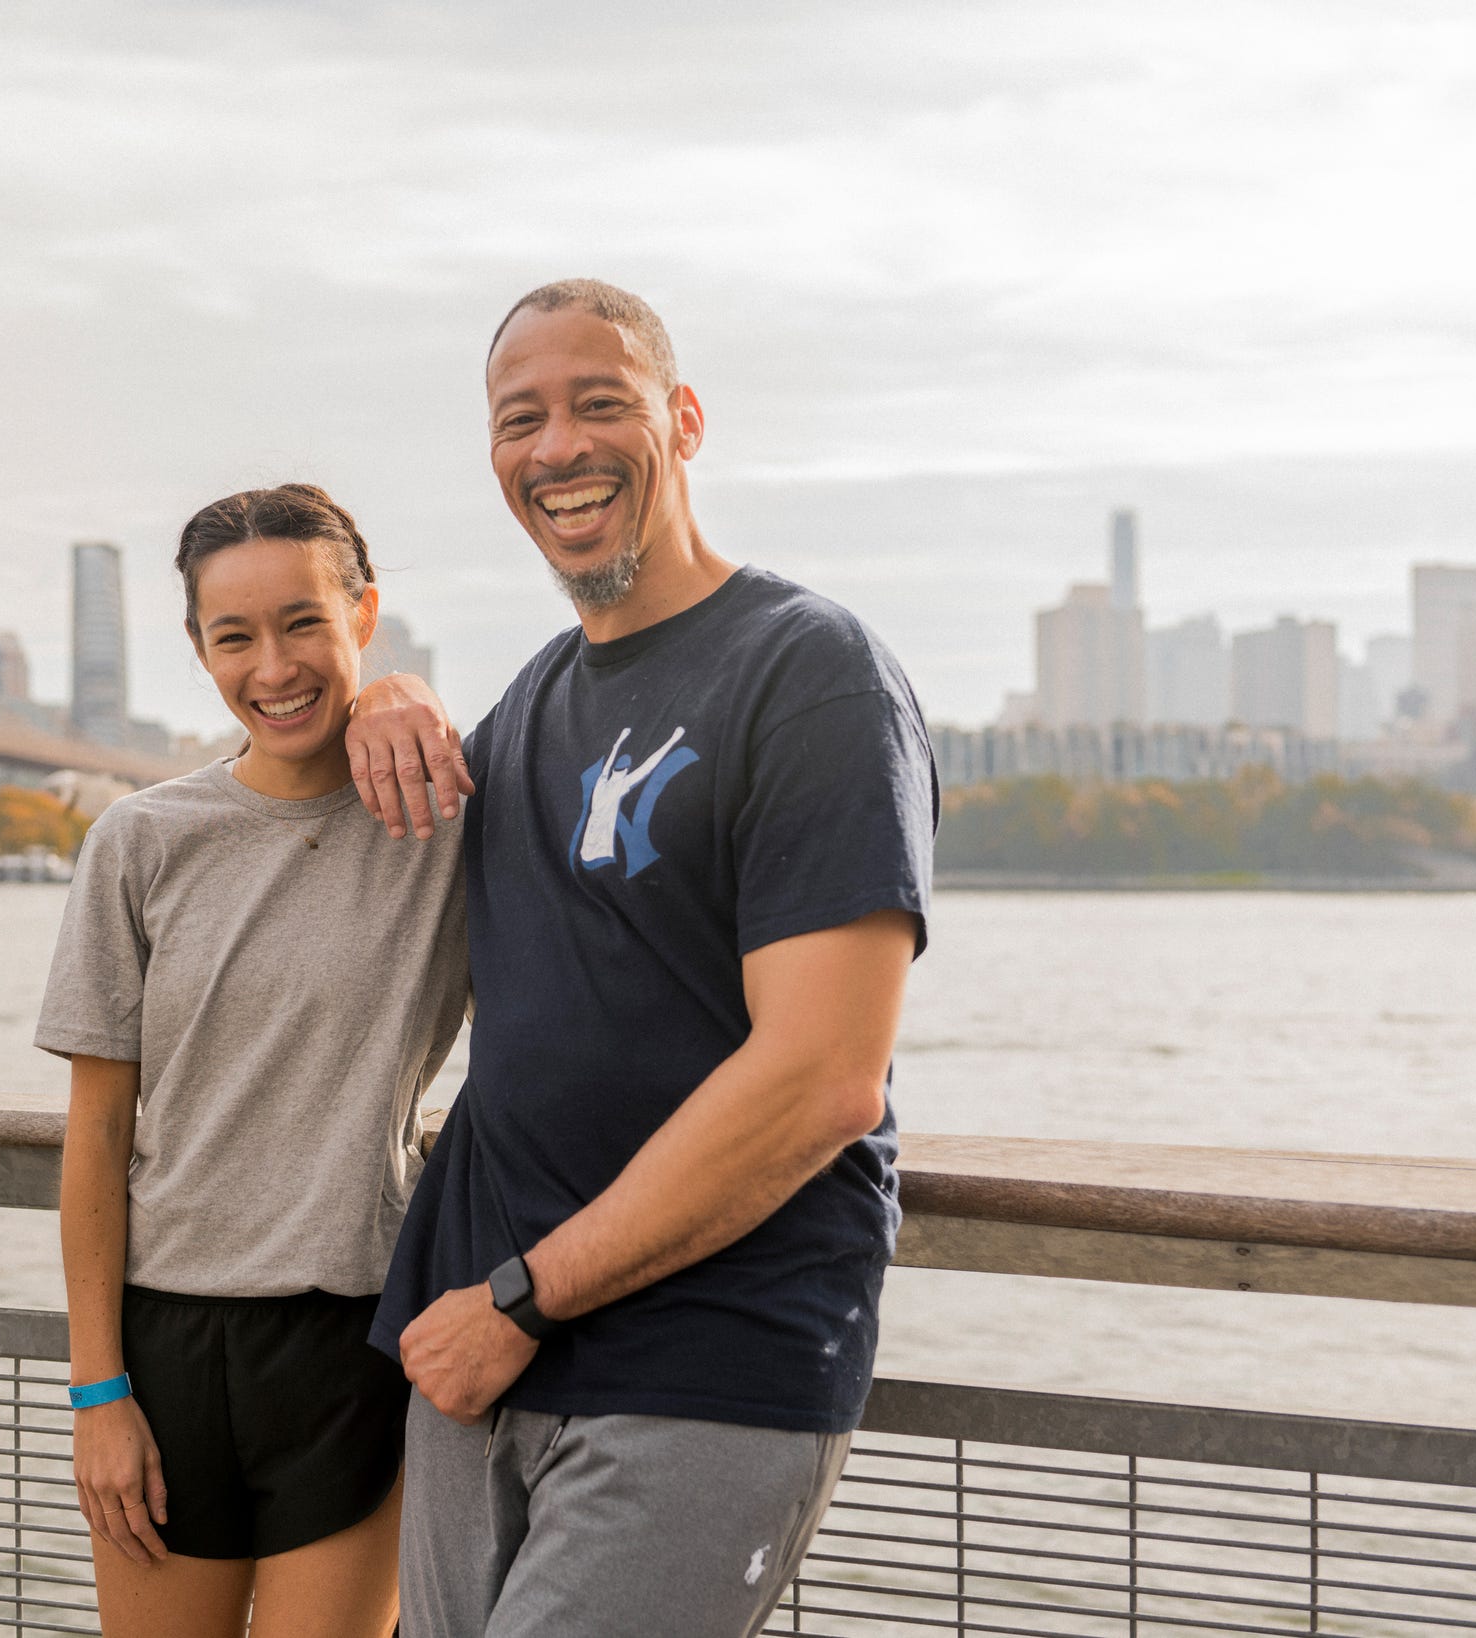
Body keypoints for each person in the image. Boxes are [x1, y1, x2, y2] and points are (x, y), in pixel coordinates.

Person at [347, 280, 938, 1638]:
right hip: (475, 1365)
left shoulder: (810, 670)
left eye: (599, 403)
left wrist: (524, 1294)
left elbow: (822, 1076)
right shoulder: (535, 699)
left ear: (683, 420)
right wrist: (388, 688)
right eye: (520, 419)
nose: (557, 447)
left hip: (697, 1362)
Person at [35, 483, 470, 1638]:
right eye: (233, 637)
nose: (271, 666)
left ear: (362, 615)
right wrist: (98, 1394)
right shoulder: (139, 841)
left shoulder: (447, 822)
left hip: (358, 1337)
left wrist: (406, 694)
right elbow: (95, 1136)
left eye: (303, 624)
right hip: (163, 1347)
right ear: (197, 650)